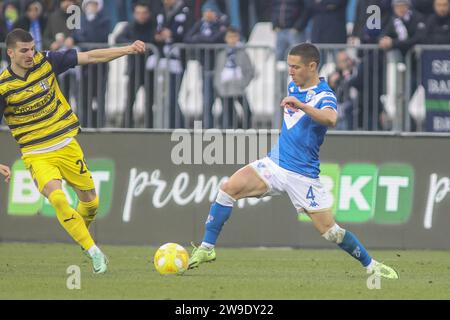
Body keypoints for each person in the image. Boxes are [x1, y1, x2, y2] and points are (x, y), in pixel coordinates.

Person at [187, 43, 399, 280]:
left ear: (312, 66)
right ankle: (207, 248)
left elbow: (331, 118)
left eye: (295, 67)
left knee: (331, 232)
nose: (291, 71)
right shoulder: (292, 85)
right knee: (227, 190)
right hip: (275, 164)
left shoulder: (324, 95)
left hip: (303, 175)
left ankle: (371, 266)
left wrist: (302, 106)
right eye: (289, 66)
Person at [0, 28, 145, 274]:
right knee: (57, 198)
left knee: (91, 203)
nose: (30, 54)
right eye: (24, 51)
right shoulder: (4, 88)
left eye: (32, 48)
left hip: (66, 145)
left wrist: (127, 50)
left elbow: (90, 57)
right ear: (10, 53)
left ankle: (81, 234)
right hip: (36, 153)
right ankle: (94, 251)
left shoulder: (46, 61)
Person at [116, 1, 156, 128]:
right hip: (134, 69)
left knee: (150, 101)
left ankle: (150, 127)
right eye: (138, 13)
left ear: (148, 14)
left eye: (144, 13)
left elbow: (157, 40)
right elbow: (118, 39)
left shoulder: (153, 26)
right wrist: (132, 45)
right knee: (130, 99)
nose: (141, 16)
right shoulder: (130, 26)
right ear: (134, 14)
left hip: (150, 70)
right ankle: (126, 126)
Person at [214, 26, 254, 129]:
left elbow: (249, 71)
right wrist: (219, 86)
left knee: (247, 112)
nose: (232, 39)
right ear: (226, 38)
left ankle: (246, 132)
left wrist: (243, 83)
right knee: (229, 114)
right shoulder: (222, 54)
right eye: (230, 37)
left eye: (234, 36)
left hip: (239, 88)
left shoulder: (243, 53)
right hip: (225, 90)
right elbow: (218, 71)